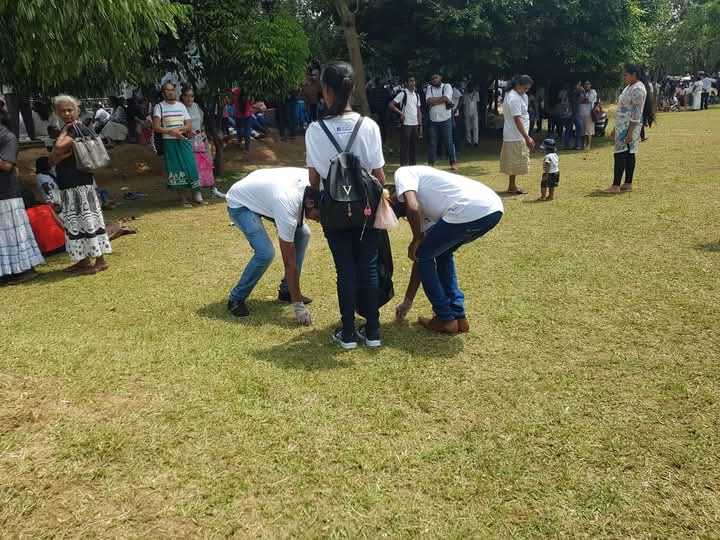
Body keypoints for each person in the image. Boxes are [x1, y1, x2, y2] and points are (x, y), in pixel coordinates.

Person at [305, 61, 385, 349]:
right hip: (366, 208)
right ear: (352, 89)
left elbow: (314, 179)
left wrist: (314, 206)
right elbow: (379, 175)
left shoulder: (315, 129)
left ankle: (348, 332)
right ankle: (373, 331)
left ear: (326, 89)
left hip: (334, 209)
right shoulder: (369, 126)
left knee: (345, 269)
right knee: (369, 266)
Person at [390, 166, 503, 333]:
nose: (400, 217)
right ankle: (459, 317)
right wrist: (407, 302)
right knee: (441, 253)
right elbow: (421, 259)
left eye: (394, 214)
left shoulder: (404, 173)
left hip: (471, 208)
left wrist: (416, 239)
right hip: (493, 210)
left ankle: (445, 318)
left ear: (391, 198)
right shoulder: (425, 206)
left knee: (425, 253)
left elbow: (412, 207)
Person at [225, 168, 316, 323]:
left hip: (265, 194)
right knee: (265, 253)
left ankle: (286, 291)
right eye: (319, 216)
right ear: (310, 203)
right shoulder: (287, 203)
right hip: (240, 202)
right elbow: (289, 262)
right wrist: (298, 306)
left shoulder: (314, 183)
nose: (319, 221)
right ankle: (236, 299)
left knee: (303, 234)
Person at [49, 95, 111, 273]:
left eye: (70, 110)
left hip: (81, 182)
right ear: (57, 113)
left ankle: (100, 259)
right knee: (74, 221)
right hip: (67, 183)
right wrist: (57, 152)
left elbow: (58, 148)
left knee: (88, 219)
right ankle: (83, 259)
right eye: (63, 111)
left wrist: (61, 138)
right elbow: (51, 160)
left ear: (77, 111)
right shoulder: (67, 129)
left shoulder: (77, 128)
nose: (67, 114)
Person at [0, 108, 45, 283]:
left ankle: (26, 270)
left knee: (14, 234)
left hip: (7, 194)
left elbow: (6, 165)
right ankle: (8, 272)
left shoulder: (7, 137)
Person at [603, 64, 655, 194]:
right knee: (629, 153)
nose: (624, 77)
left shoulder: (638, 89)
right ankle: (627, 183)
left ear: (634, 75)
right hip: (623, 125)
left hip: (629, 126)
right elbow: (622, 110)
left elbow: (637, 113)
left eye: (625, 75)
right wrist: (615, 128)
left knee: (620, 154)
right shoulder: (629, 87)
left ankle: (616, 185)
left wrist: (630, 132)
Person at [152, 82, 203, 207]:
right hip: (169, 142)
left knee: (191, 166)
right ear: (163, 93)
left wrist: (178, 131)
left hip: (183, 140)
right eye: (168, 90)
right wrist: (171, 132)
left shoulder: (181, 106)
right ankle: (183, 199)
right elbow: (156, 127)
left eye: (172, 90)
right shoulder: (159, 107)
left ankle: (196, 196)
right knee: (175, 169)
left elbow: (188, 125)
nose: (171, 92)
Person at [500, 74, 535, 195]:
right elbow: (517, 119)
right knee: (514, 161)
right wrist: (527, 137)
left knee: (514, 161)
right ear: (518, 85)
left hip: (516, 134)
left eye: (528, 89)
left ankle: (512, 185)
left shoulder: (517, 95)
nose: (526, 91)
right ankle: (512, 186)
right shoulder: (513, 98)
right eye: (525, 88)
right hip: (515, 135)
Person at [180, 86, 214, 196]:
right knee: (193, 167)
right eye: (186, 96)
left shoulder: (196, 106)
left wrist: (202, 132)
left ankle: (210, 190)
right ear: (182, 97)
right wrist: (187, 133)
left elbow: (201, 122)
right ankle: (195, 193)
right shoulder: (180, 108)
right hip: (187, 142)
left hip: (200, 140)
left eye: (192, 96)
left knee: (205, 165)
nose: (189, 98)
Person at [426, 74, 458, 170]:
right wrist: (441, 100)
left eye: (436, 77)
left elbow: (446, 98)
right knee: (432, 143)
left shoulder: (447, 86)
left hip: (446, 119)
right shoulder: (429, 88)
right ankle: (431, 163)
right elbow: (428, 101)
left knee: (449, 142)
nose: (434, 79)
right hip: (433, 119)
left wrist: (434, 101)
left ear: (440, 78)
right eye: (433, 78)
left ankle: (453, 162)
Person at [388, 76, 422, 166]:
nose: (412, 83)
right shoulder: (403, 94)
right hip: (406, 123)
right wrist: (401, 113)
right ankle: (403, 165)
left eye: (413, 81)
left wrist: (420, 124)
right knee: (405, 145)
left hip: (415, 123)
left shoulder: (417, 95)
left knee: (413, 146)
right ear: (407, 83)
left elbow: (418, 110)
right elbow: (391, 104)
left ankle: (413, 165)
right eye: (410, 81)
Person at [22, 190, 65, 255]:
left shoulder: (24, 215)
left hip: (44, 250)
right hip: (63, 244)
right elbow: (60, 224)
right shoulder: (46, 207)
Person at [231, 87, 253, 152]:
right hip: (248, 114)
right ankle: (247, 148)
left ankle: (239, 141)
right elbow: (251, 102)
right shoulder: (248, 93)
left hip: (238, 115)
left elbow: (231, 102)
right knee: (247, 130)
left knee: (239, 129)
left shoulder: (235, 92)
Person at [565, 81, 584, 150]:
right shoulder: (576, 92)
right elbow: (581, 99)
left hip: (572, 113)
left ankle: (568, 144)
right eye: (579, 84)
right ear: (576, 85)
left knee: (569, 129)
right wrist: (582, 91)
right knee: (579, 128)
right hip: (574, 113)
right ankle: (576, 145)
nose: (580, 86)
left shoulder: (571, 92)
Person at [580, 81, 598, 150]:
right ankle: (583, 145)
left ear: (590, 85)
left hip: (589, 114)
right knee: (583, 130)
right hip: (581, 113)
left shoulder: (593, 92)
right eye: (585, 84)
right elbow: (580, 100)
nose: (586, 85)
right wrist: (584, 99)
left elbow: (588, 100)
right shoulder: (582, 92)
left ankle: (589, 145)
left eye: (588, 84)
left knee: (589, 130)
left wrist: (584, 97)